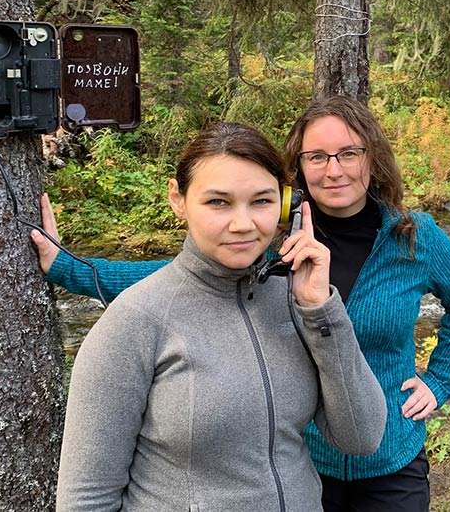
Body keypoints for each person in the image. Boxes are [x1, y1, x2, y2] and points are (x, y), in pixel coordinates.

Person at [36, 97, 450, 512]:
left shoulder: (413, 235)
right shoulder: (270, 246)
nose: (334, 170)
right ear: (298, 172)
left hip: (390, 450)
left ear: (373, 158)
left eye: (349, 153)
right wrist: (67, 267)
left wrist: (440, 381)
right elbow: (175, 282)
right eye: (317, 157)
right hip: (304, 457)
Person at [53, 121, 386, 512]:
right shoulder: (135, 321)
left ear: (286, 205)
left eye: (261, 201)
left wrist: (321, 311)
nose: (243, 223)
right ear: (178, 199)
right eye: (218, 202)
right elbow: (85, 499)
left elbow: (362, 437)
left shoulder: (295, 300)